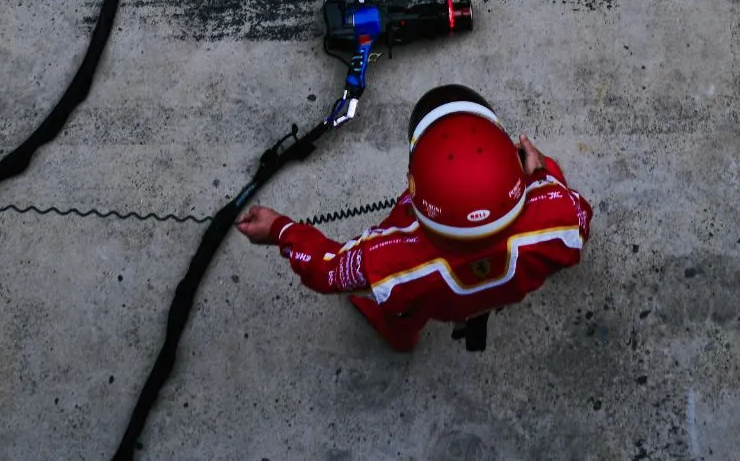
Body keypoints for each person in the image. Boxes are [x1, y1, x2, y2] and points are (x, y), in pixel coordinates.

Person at [237, 86, 593, 351]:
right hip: (510, 286)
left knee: (397, 313)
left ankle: (402, 339)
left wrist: (280, 230)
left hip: (428, 298)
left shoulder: (387, 261)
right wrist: (543, 175)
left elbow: (327, 270)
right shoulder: (560, 214)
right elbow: (582, 217)